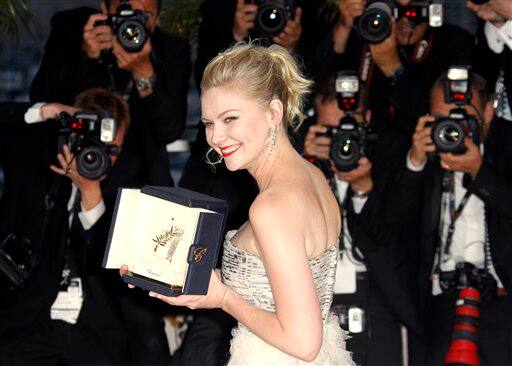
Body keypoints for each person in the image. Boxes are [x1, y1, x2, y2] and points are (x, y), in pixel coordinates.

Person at [124, 42, 355, 365]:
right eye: (208, 123)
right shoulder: (313, 176)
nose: (217, 137)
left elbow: (303, 342)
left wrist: (223, 298)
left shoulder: (271, 207)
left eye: (230, 118)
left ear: (274, 112)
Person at [0, 89, 131, 365]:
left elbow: (109, 269)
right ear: (72, 133)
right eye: (91, 142)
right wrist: (46, 110)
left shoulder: (126, 197)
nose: (99, 155)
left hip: (92, 333)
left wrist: (90, 193)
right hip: (26, 325)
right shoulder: (31, 169)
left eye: (112, 149)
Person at [300, 72, 423, 365]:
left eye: (349, 127)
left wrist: (363, 187)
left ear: (367, 118)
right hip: (315, 296)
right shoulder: (302, 160)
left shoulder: (388, 152)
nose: (342, 139)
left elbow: (396, 234)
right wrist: (303, 165)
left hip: (377, 290)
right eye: (331, 130)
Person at [395, 71, 512, 365]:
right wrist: (416, 160)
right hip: (440, 306)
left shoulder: (507, 149)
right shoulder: (426, 156)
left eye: (461, 118)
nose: (451, 129)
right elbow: (393, 220)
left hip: (502, 303)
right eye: (441, 118)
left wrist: (479, 170)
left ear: (488, 111)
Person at [312, 0, 475, 135]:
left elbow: (435, 116)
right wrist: (344, 26)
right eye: (394, 10)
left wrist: (392, 68)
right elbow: (314, 91)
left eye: (415, 11)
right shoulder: (361, 35)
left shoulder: (454, 42)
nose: (405, 21)